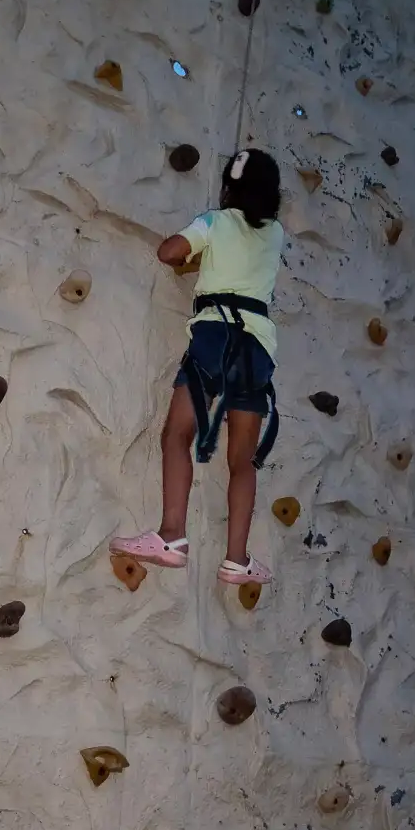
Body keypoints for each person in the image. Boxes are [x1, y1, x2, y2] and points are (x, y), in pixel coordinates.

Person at [109, 148, 284, 585]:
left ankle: (172, 537)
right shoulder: (276, 234)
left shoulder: (217, 222)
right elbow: (242, 262)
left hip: (215, 336)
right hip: (257, 348)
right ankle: (237, 560)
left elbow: (169, 252)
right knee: (243, 458)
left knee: (178, 435)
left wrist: (197, 251)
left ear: (230, 186)